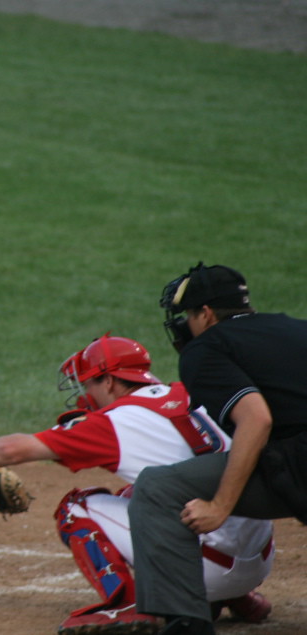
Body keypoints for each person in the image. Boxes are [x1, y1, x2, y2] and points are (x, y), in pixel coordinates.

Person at [0, 334, 273, 635]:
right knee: (143, 493)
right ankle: (240, 597)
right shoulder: (190, 393)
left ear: (109, 380)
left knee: (76, 508)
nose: (85, 393)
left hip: (206, 569)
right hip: (259, 559)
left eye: (89, 383)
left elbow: (9, 450)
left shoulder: (112, 422)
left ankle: (128, 606)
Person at [130, 262, 307, 634]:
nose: (182, 324)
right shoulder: (296, 328)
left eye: (186, 315)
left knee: (158, 488)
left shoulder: (206, 348)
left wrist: (219, 506)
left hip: (298, 464)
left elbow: (256, 419)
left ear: (206, 314)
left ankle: (187, 623)